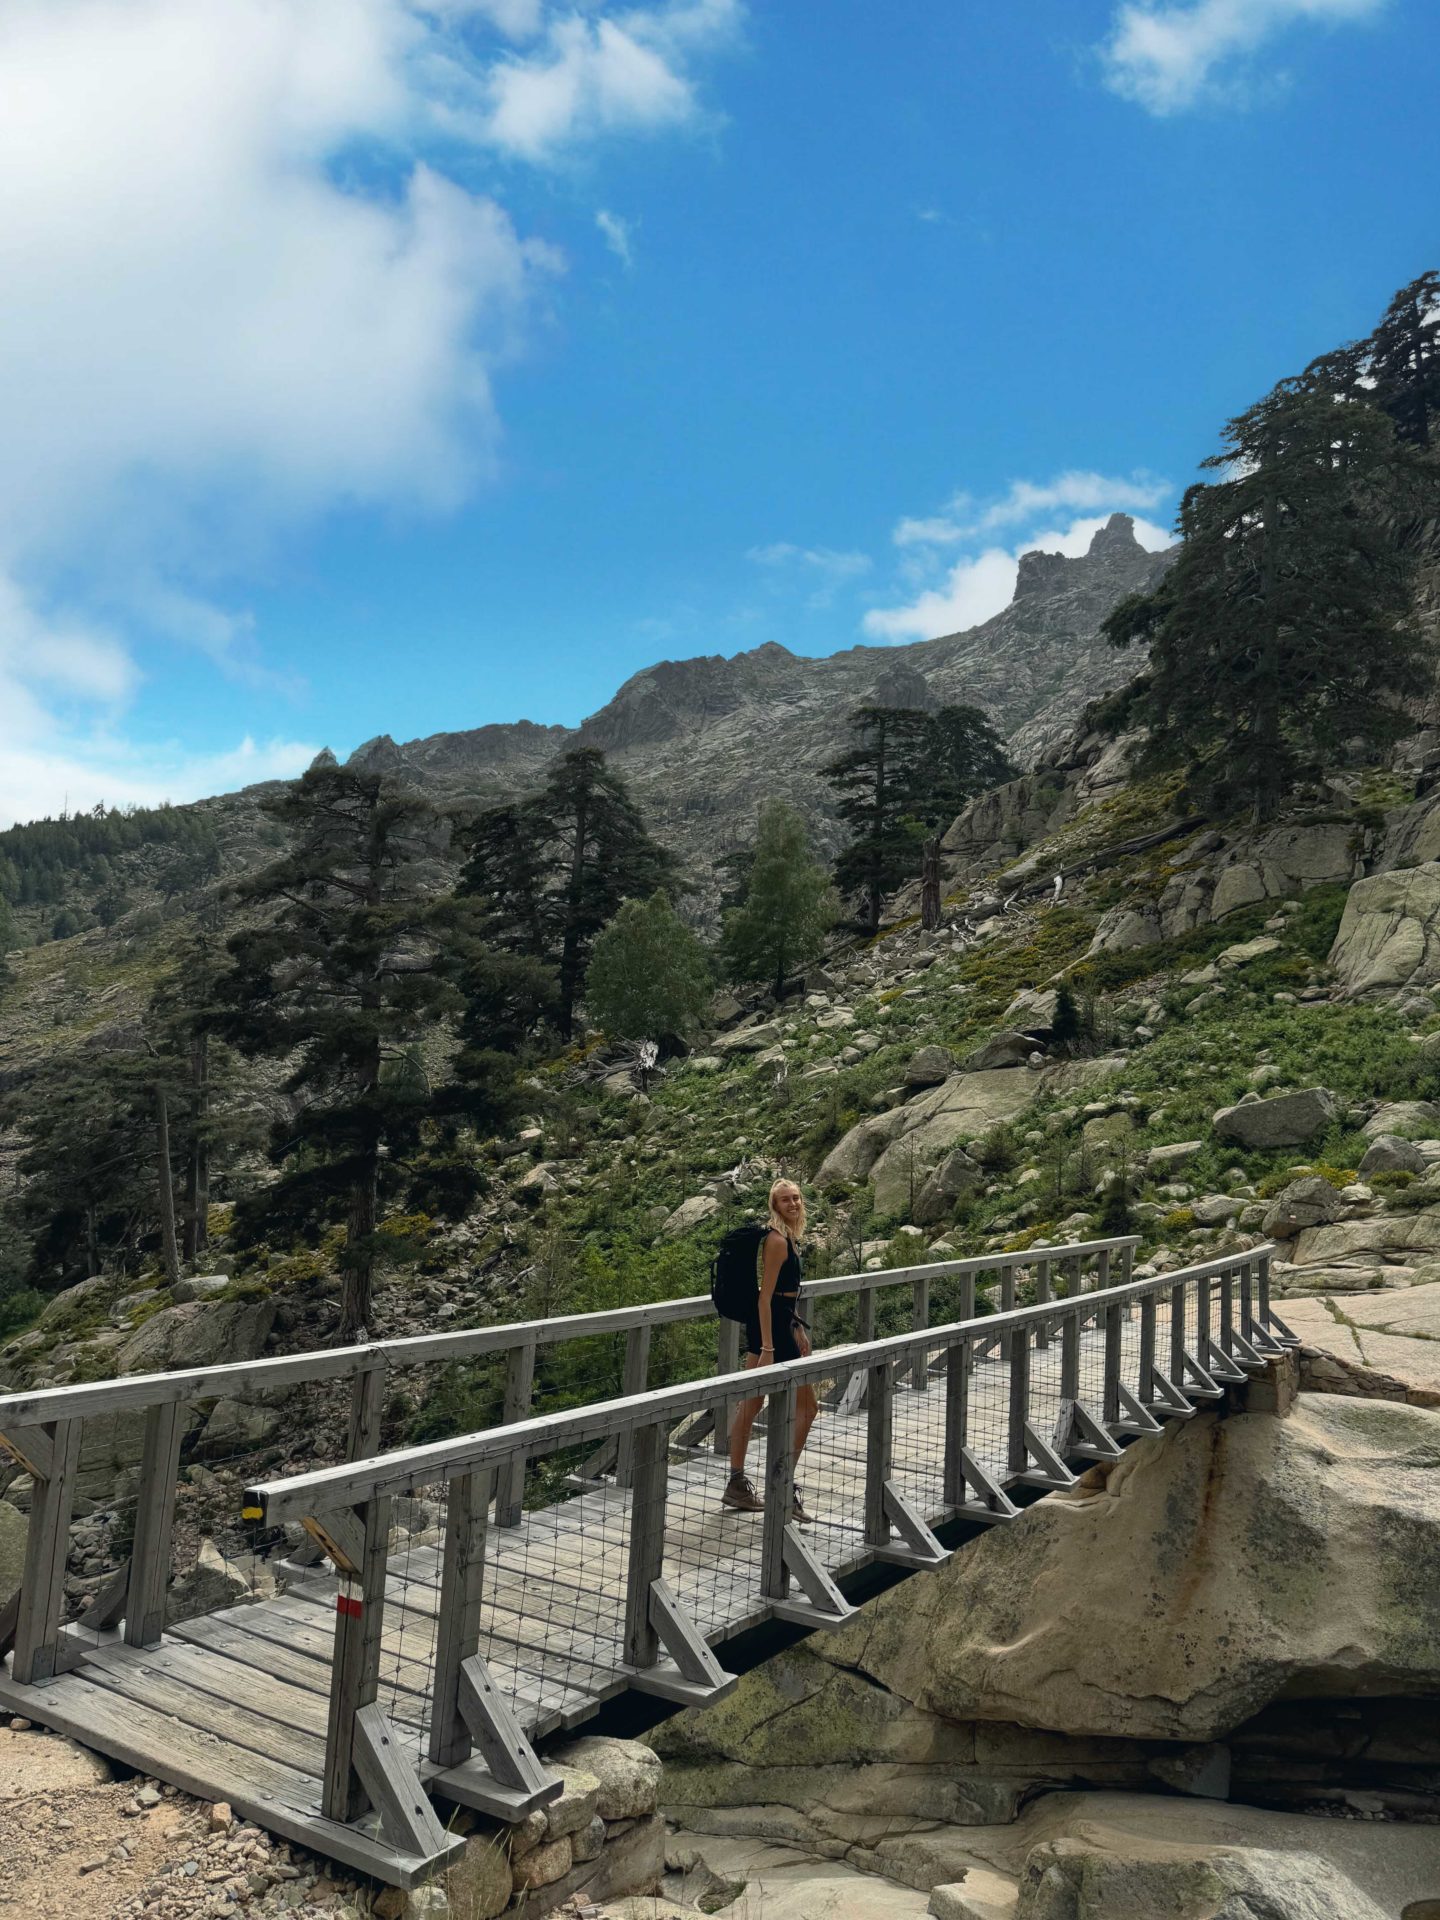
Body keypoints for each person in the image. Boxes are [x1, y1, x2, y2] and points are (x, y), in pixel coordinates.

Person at [720, 1177, 819, 1521]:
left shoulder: (790, 1238)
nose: (793, 1204)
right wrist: (768, 1346)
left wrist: (797, 1327)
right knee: (806, 1408)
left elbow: (784, 1296)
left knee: (753, 1402)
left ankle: (738, 1483)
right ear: (774, 1206)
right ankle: (782, 1485)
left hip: (782, 1323)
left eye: (796, 1198)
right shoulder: (777, 1241)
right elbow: (766, 1297)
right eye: (785, 1200)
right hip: (772, 1328)